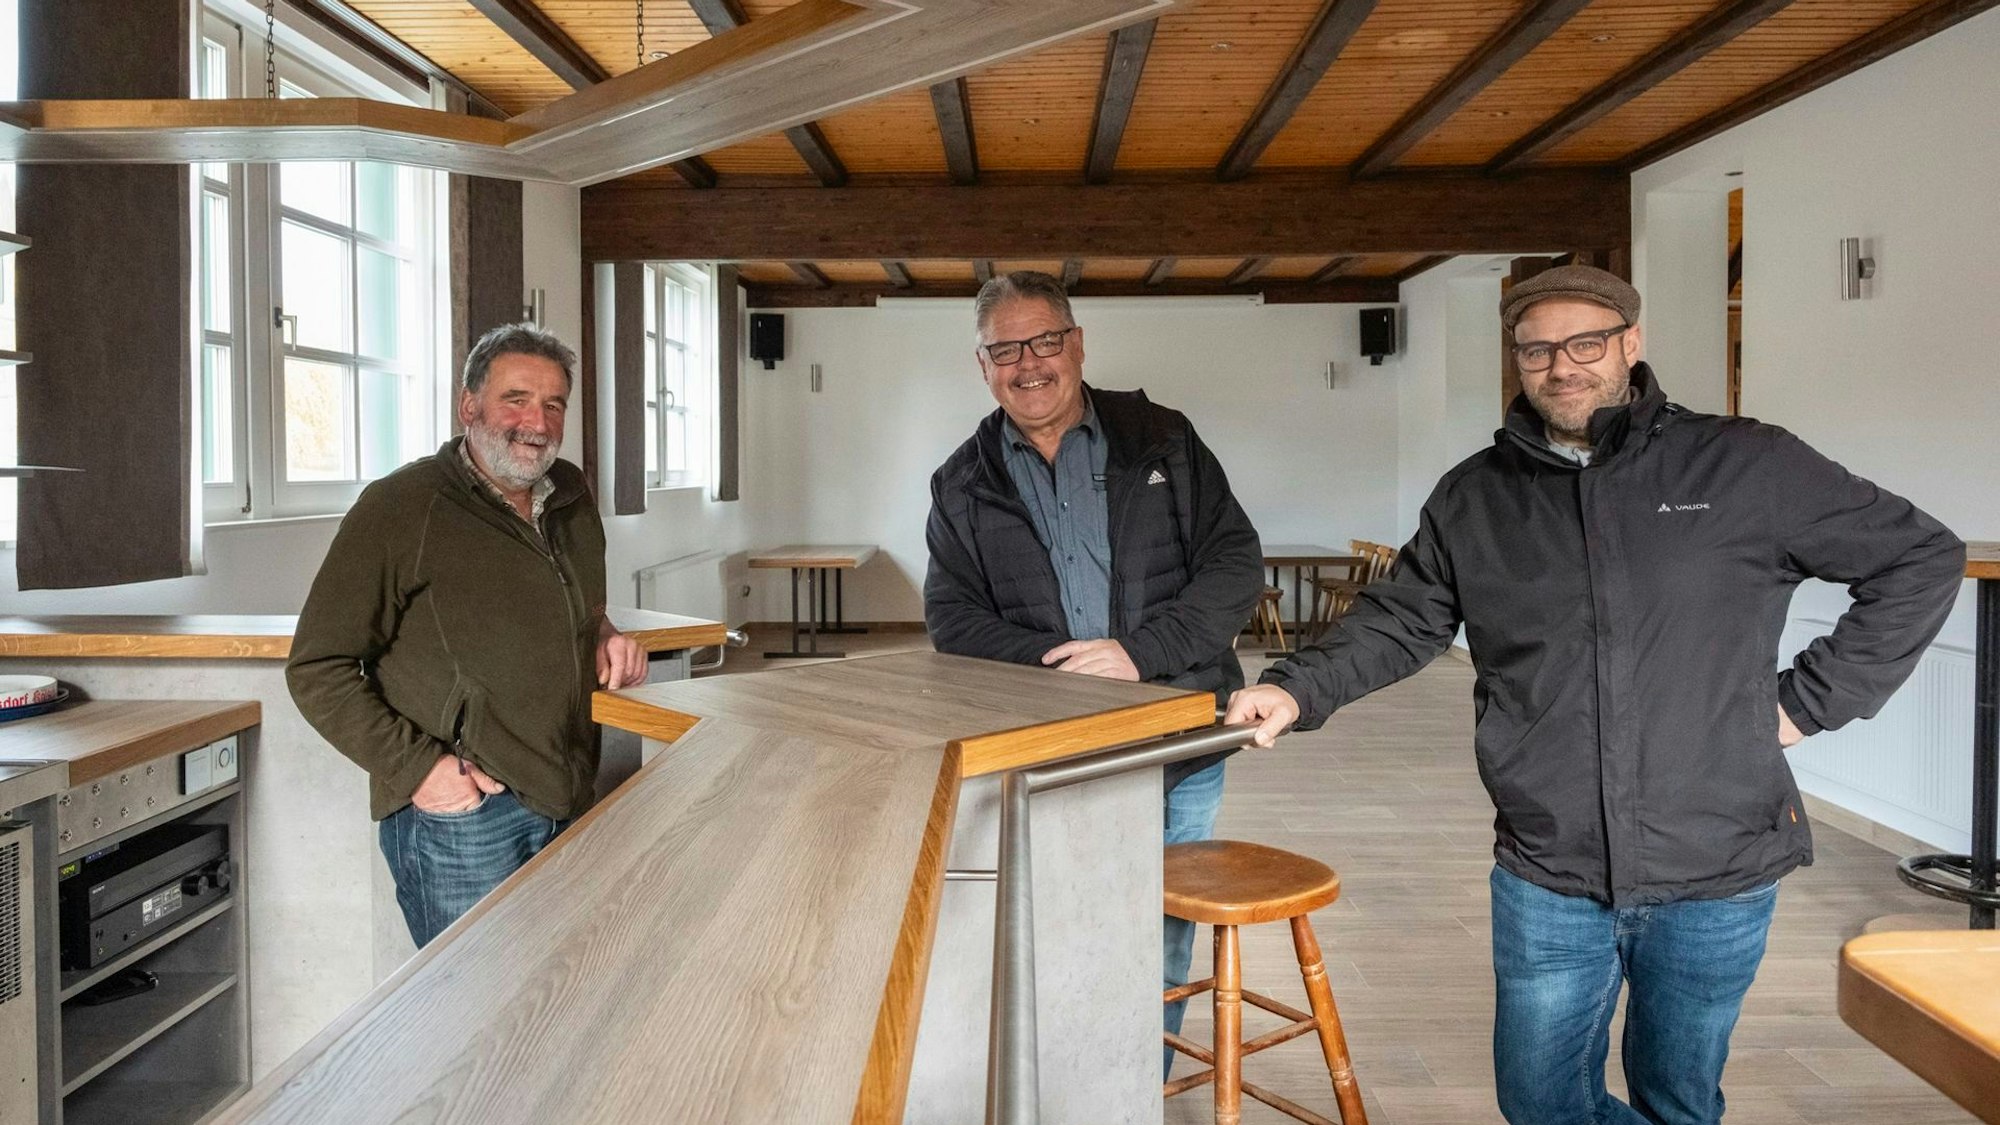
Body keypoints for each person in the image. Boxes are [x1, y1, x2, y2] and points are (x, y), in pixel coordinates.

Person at [1227, 264, 1964, 1124]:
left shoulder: (1745, 462)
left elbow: (1920, 558)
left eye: (1584, 342)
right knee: (1539, 1100)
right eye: (1536, 349)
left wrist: (1809, 701)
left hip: (1716, 858)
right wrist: (1293, 687)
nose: (1560, 365)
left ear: (1631, 345)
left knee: (1678, 1099)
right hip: (1551, 859)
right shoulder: (1477, 495)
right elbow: (1400, 618)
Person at [923, 270, 1265, 1070]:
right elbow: (953, 618)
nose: (1028, 362)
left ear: (1076, 344)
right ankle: (1071, 1083)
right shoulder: (960, 481)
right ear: (983, 365)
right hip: (1047, 753)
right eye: (1005, 348)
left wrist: (1137, 655)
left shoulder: (1163, 436)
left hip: (1177, 740)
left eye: (1043, 340)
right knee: (1060, 930)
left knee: (1157, 932)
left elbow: (1234, 562)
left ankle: (1142, 1085)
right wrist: (1063, 671)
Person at [288, 322, 647, 948]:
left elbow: (575, 605)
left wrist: (604, 633)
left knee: (550, 1002)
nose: (536, 420)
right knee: (467, 1021)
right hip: (465, 819)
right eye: (516, 398)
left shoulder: (570, 494)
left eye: (553, 403)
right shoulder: (402, 507)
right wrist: (425, 771)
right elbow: (318, 667)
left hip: (566, 791)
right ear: (469, 406)